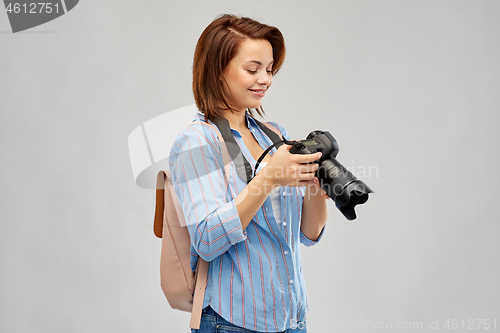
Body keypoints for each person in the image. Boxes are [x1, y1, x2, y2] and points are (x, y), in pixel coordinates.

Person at [169, 14, 329, 333]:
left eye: (269, 69)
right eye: (252, 69)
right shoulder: (197, 142)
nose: (265, 79)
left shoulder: (274, 134)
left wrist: (315, 184)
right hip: (234, 322)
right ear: (217, 71)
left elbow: (307, 235)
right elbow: (206, 240)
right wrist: (268, 179)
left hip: (292, 318)